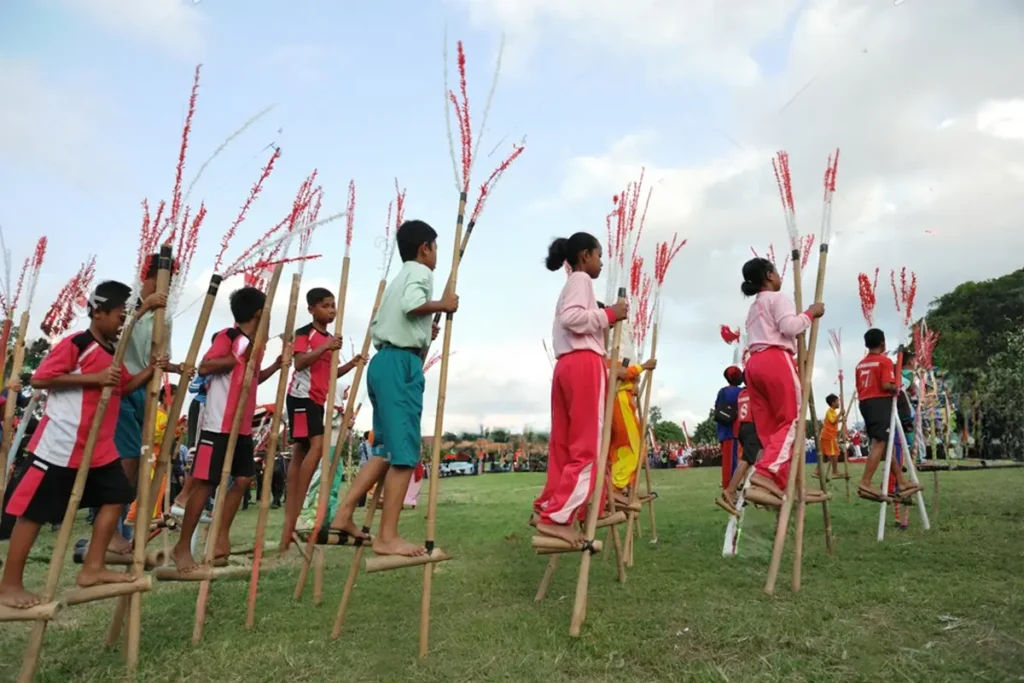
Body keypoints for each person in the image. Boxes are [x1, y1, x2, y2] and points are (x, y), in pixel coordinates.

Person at [0, 281, 159, 608]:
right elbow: (42, 378)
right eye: (118, 315)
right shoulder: (78, 343)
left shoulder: (111, 353)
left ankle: (93, 567)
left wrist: (153, 369)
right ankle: (10, 585)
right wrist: (93, 379)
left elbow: (123, 387)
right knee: (33, 514)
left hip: (98, 449)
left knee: (118, 496)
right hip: (59, 447)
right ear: (98, 313)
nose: (120, 323)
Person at [327, 220, 457, 557]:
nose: (436, 255)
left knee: (385, 450)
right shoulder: (420, 273)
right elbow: (411, 305)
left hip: (384, 363)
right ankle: (388, 537)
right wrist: (442, 305)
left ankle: (343, 514)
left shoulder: (399, 278)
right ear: (424, 248)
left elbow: (397, 317)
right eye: (436, 247)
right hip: (399, 366)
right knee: (404, 454)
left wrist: (423, 332)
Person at [171, 287, 282, 572]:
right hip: (218, 426)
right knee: (206, 484)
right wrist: (234, 360)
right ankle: (182, 547)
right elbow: (206, 366)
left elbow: (249, 381)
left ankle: (220, 536)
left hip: (241, 427)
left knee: (244, 479)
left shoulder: (254, 345)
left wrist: (274, 367)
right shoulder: (230, 338)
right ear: (259, 313)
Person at [531, 232, 628, 548]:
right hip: (584, 364)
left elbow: (574, 317)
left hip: (566, 366)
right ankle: (557, 517)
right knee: (587, 446)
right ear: (585, 256)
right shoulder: (581, 279)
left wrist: (604, 320)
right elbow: (573, 318)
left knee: (565, 445)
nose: (601, 263)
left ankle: (553, 504)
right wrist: (610, 314)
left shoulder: (572, 285)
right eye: (599, 256)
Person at [279, 287, 364, 552]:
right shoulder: (306, 334)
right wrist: (327, 346)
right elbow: (300, 363)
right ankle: (301, 493)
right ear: (312, 309)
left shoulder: (329, 339)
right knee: (316, 446)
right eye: (325, 306)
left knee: (302, 449)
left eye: (333, 305)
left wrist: (351, 365)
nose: (331, 310)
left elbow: (328, 374)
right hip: (301, 399)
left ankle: (294, 497)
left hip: (316, 399)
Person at [739, 257, 828, 508]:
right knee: (792, 420)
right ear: (769, 275)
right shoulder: (777, 299)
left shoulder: (754, 308)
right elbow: (790, 327)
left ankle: (783, 482)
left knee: (769, 428)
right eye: (777, 272)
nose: (780, 276)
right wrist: (811, 313)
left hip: (754, 365)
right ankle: (765, 474)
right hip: (775, 359)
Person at [111, 254, 183, 553]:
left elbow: (157, 359)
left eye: (173, 282)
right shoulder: (127, 307)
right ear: (147, 276)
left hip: (146, 390)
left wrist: (174, 367)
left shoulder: (164, 318)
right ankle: (111, 535)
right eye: (162, 280)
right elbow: (114, 338)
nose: (167, 288)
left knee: (139, 465)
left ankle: (124, 533)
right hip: (123, 387)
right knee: (125, 462)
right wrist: (143, 309)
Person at [855, 329, 922, 501]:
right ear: (883, 343)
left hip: (865, 403)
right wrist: (897, 387)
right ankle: (865, 482)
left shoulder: (860, 365)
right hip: (879, 403)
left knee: (883, 445)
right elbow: (886, 385)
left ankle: (901, 480)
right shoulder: (884, 361)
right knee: (880, 443)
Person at [609, 357, 656, 506]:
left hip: (625, 408)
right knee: (634, 450)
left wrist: (631, 386)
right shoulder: (607, 359)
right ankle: (614, 488)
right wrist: (644, 366)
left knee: (628, 451)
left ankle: (629, 489)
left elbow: (624, 377)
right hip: (621, 410)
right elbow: (620, 373)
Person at [716, 378, 762, 515]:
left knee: (754, 459)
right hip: (752, 426)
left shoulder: (742, 393)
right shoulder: (755, 392)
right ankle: (730, 490)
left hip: (742, 428)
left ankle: (751, 490)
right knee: (747, 460)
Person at [714, 366, 744, 490]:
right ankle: (729, 488)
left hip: (724, 430)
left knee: (729, 461)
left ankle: (730, 486)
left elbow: (717, 407)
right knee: (733, 462)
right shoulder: (741, 392)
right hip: (735, 430)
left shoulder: (723, 391)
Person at [819, 394, 842, 478]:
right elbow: (832, 421)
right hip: (829, 436)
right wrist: (840, 414)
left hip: (828, 435)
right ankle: (834, 471)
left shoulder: (833, 412)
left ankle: (817, 470)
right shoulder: (829, 411)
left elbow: (834, 421)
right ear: (833, 403)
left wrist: (841, 420)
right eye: (837, 401)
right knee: (835, 453)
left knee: (825, 454)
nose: (839, 403)